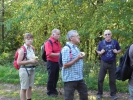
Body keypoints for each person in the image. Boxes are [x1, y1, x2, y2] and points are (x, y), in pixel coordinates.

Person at [61, 30, 88, 100]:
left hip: (79, 77)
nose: (79, 37)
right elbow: (65, 65)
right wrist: (78, 58)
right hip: (70, 78)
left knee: (84, 93)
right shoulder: (66, 49)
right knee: (69, 97)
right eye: (77, 36)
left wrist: (80, 57)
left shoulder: (76, 48)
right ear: (71, 38)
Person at [96, 30, 121, 100]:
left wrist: (117, 51)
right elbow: (98, 51)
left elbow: (119, 49)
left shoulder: (115, 42)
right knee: (100, 79)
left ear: (111, 34)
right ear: (104, 36)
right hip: (103, 62)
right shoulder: (101, 43)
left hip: (112, 62)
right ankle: (99, 93)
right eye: (105, 34)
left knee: (112, 79)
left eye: (108, 34)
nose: (107, 35)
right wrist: (100, 52)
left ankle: (113, 94)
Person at [17, 33, 38, 100]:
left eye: (31, 39)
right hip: (24, 70)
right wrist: (30, 61)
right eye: (28, 39)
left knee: (30, 87)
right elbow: (18, 62)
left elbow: (32, 58)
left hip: (32, 69)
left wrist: (35, 60)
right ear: (25, 40)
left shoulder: (32, 48)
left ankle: (29, 98)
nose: (30, 40)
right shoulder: (22, 50)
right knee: (24, 88)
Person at [45, 28, 61, 97]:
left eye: (59, 34)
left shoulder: (57, 42)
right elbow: (49, 53)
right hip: (51, 62)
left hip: (57, 62)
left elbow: (60, 50)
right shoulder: (49, 42)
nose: (59, 36)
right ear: (53, 34)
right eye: (57, 34)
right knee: (51, 77)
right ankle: (50, 91)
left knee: (56, 77)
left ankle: (54, 89)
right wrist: (60, 54)